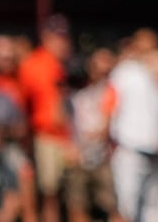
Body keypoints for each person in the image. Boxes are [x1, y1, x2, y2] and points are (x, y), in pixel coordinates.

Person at [107, 31, 158, 222]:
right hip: (129, 148)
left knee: (155, 209)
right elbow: (109, 107)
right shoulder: (124, 72)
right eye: (144, 46)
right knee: (127, 207)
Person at [18, 17, 72, 222]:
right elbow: (23, 105)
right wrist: (27, 142)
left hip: (64, 138)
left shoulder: (60, 65)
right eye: (57, 37)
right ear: (46, 37)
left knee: (62, 195)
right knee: (49, 194)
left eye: (64, 37)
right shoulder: (33, 64)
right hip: (45, 136)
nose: (62, 42)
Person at [64, 49, 116, 222]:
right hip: (79, 155)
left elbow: (109, 123)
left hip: (105, 156)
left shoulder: (113, 89)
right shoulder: (74, 94)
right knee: (77, 205)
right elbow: (65, 122)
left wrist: (100, 134)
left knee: (113, 206)